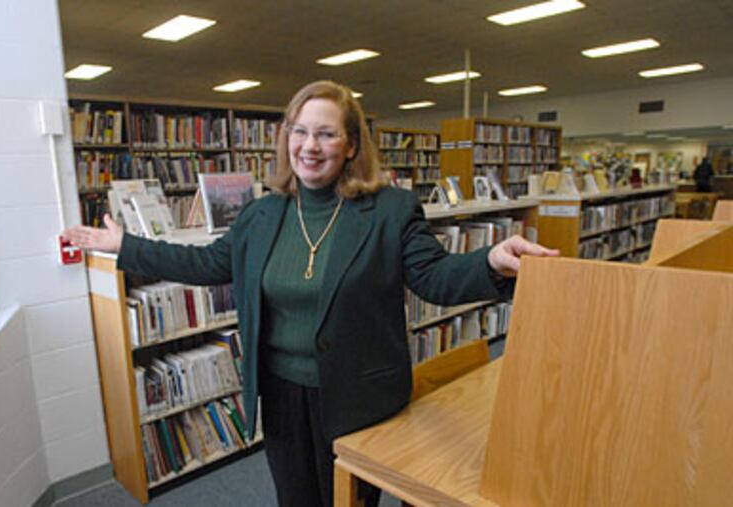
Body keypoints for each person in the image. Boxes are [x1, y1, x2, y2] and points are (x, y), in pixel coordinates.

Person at [63, 80, 559, 507]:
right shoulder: (262, 214)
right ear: (286, 139)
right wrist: (125, 246)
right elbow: (207, 263)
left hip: (357, 393)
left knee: (349, 501)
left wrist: (490, 262)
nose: (310, 146)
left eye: (326, 133)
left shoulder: (390, 210)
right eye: (300, 131)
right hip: (280, 393)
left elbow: (435, 277)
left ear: (350, 144)